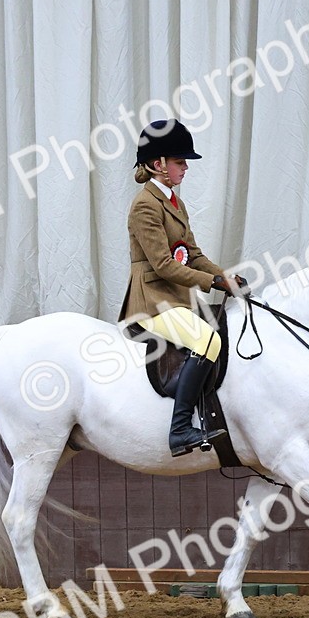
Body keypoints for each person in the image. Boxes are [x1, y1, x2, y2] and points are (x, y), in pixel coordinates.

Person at [117, 119, 248, 457]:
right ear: (157, 164)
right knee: (207, 340)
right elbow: (164, 264)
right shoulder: (144, 205)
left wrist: (225, 277)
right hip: (152, 301)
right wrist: (212, 282)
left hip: (176, 299)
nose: (185, 168)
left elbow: (193, 255)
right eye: (179, 161)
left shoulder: (174, 201)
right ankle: (179, 430)